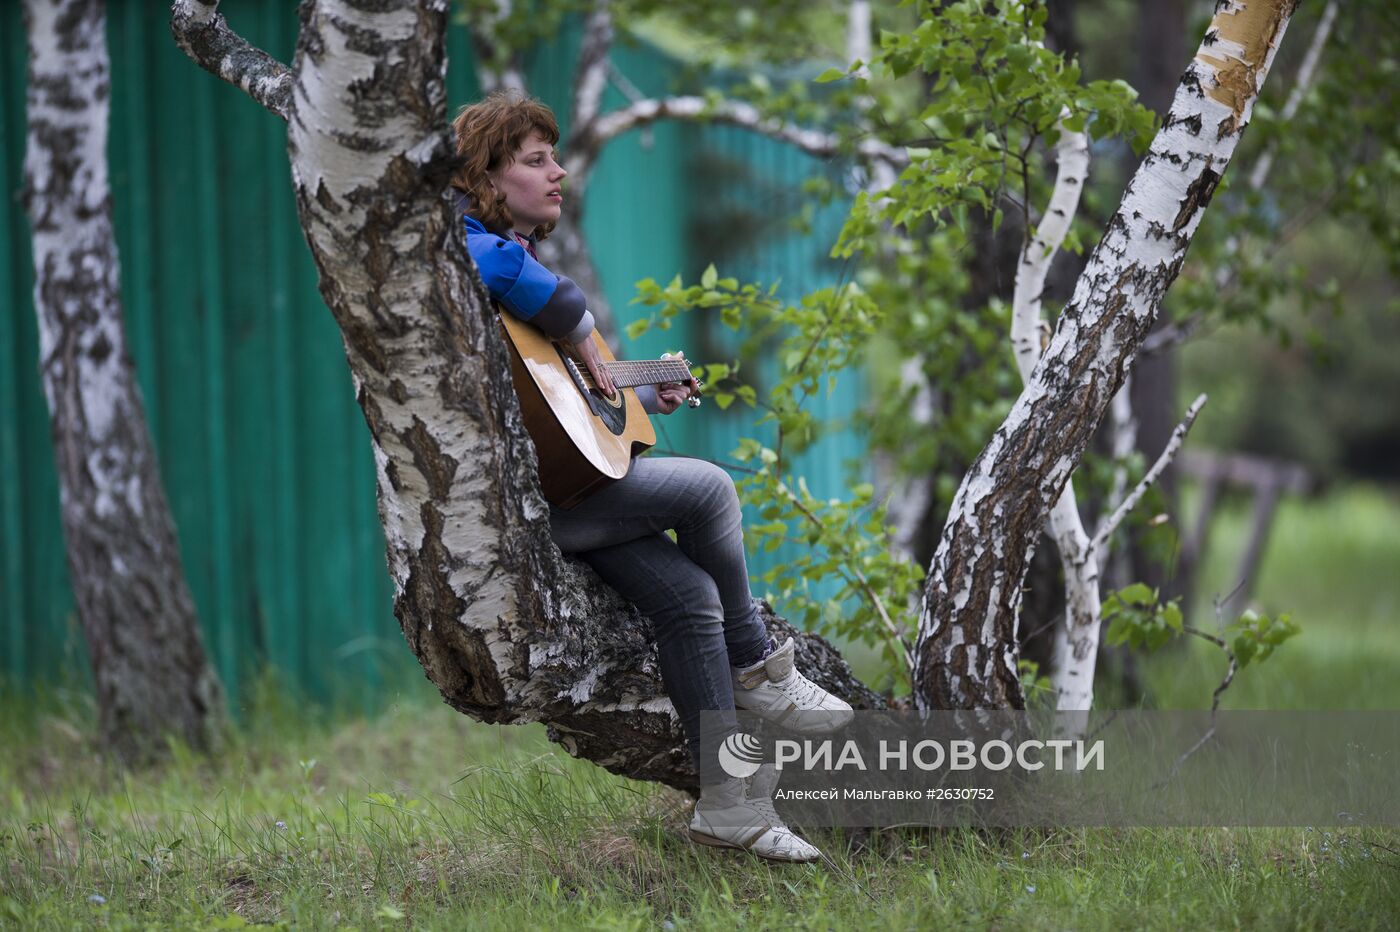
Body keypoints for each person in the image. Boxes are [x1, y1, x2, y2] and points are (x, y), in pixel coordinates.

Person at [450, 90, 852, 862]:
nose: (559, 172)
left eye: (554, 157)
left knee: (692, 597)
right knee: (707, 489)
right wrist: (581, 325)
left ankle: (729, 804)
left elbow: (556, 396)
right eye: (535, 161)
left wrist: (637, 387)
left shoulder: (511, 267)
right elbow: (552, 303)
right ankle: (756, 667)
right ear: (485, 176)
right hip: (526, 516)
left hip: (571, 495)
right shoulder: (462, 253)